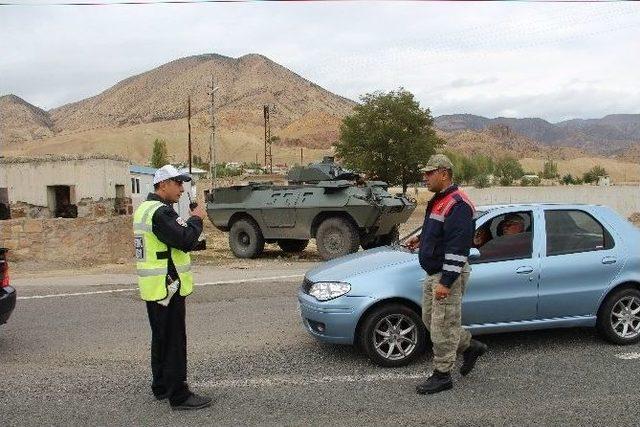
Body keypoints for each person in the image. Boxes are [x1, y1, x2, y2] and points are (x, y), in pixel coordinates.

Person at [405, 154, 487, 395]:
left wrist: (446, 282)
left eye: (429, 173)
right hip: (433, 272)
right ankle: (471, 346)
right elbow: (437, 232)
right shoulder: (439, 200)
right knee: (432, 321)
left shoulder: (458, 204)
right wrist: (420, 240)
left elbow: (458, 247)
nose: (425, 177)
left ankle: (442, 375)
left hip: (446, 274)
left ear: (444, 173)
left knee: (442, 326)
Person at [133, 164, 212, 410]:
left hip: (155, 287)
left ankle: (161, 386)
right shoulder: (161, 213)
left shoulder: (145, 210)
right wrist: (197, 219)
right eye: (177, 183)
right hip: (168, 286)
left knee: (161, 337)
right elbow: (186, 239)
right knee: (174, 340)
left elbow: (172, 242)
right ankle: (178, 395)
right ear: (162, 184)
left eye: (182, 183)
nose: (181, 188)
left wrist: (188, 226)